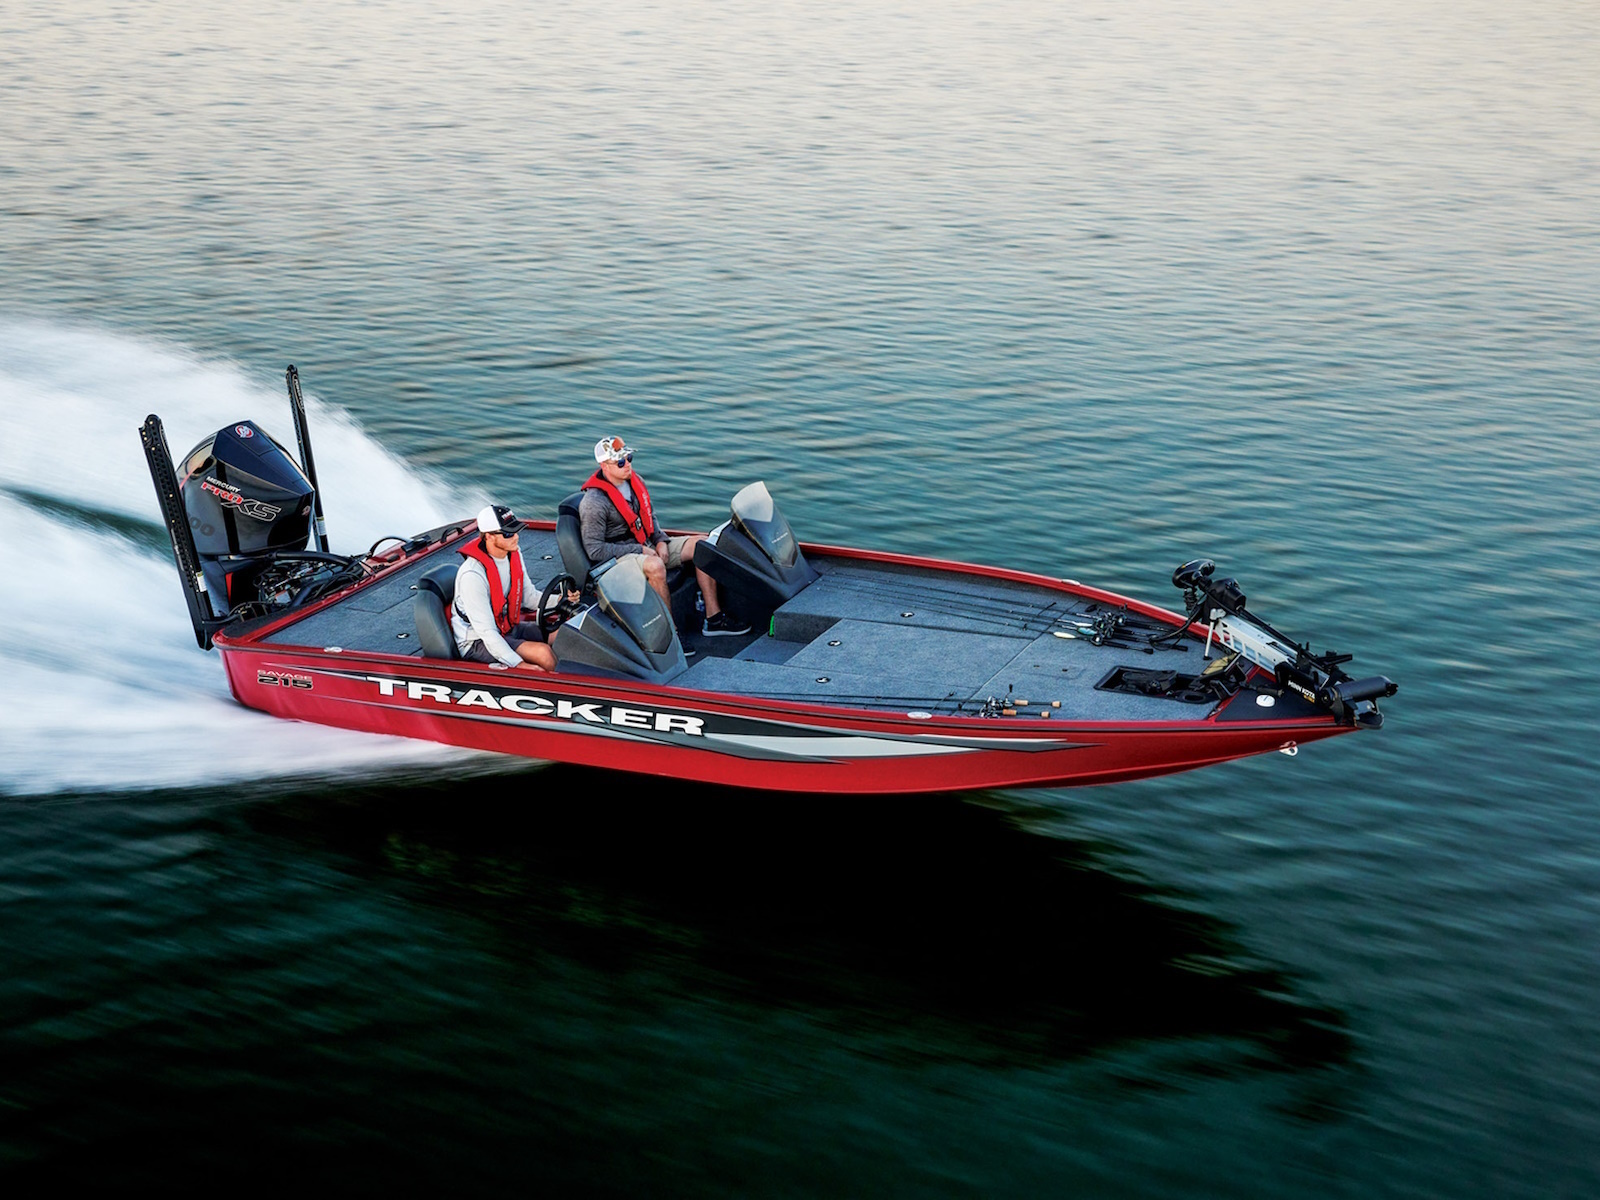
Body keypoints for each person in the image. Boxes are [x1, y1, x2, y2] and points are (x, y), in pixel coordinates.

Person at [580, 436, 750, 636]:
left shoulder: (635, 482)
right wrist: (640, 550)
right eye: (620, 462)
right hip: (618, 558)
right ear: (604, 466)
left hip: (646, 544)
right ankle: (669, 635)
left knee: (702, 546)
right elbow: (595, 550)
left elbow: (649, 517)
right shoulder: (594, 503)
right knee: (656, 566)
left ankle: (714, 619)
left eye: (629, 458)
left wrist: (660, 540)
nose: (627, 465)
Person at [451, 504, 574, 670]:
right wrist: (519, 665)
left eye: (516, 530)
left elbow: (529, 598)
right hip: (477, 641)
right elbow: (487, 633)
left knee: (565, 635)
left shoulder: (512, 553)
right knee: (542, 654)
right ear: (489, 536)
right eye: (508, 533)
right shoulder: (472, 576)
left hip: (506, 626)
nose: (516, 537)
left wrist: (562, 600)